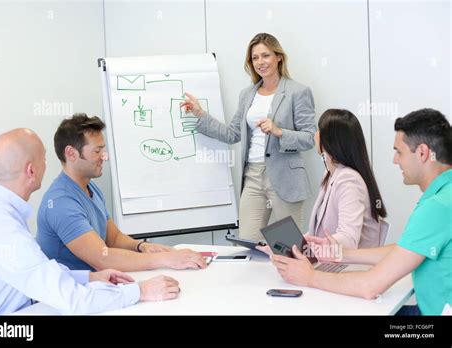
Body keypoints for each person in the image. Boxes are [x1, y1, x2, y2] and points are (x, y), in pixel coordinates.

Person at [269, 108, 451, 315]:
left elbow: (370, 286)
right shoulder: (445, 196)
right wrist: (340, 254)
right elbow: (402, 251)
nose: (395, 160)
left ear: (422, 153)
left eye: (399, 152)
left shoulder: (437, 207)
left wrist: (309, 276)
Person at [0, 128, 180, 315]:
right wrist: (139, 291)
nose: (47, 165)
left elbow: (36, 272)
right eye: (44, 159)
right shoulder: (6, 228)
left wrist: (88, 278)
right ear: (31, 171)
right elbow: (72, 299)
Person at [182, 32, 316, 241]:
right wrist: (200, 114)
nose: (260, 62)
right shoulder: (247, 94)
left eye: (266, 55)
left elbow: (309, 138)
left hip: (284, 177)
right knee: (247, 242)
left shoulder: (297, 92)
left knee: (290, 246)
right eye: (255, 58)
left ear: (278, 57)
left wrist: (279, 131)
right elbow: (232, 133)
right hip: (252, 176)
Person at [36, 114, 206, 272]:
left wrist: (142, 247)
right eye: (97, 151)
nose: (104, 157)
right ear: (71, 153)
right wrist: (165, 259)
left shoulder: (91, 188)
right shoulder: (61, 202)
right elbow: (102, 258)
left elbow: (114, 238)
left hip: (95, 287)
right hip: (71, 297)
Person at [307, 109, 387, 248]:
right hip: (330, 260)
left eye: (319, 130)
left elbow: (348, 239)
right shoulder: (330, 173)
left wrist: (315, 247)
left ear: (329, 141)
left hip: (350, 265)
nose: (315, 135)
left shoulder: (349, 180)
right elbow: (316, 233)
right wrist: (291, 244)